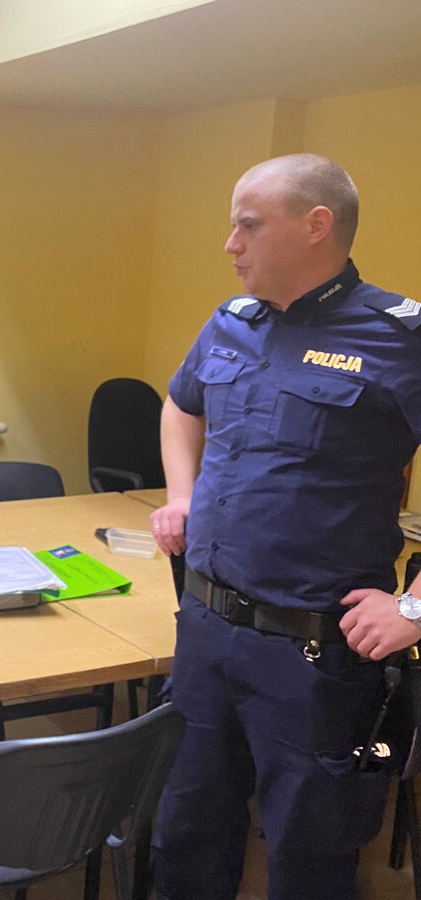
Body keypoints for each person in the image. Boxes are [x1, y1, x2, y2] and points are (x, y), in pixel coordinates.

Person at [149, 153, 421, 900]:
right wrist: (183, 495)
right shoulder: (231, 323)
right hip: (206, 629)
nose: (230, 244)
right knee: (185, 833)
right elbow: (182, 403)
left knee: (309, 858)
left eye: (248, 225)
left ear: (316, 225)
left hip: (313, 654)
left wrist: (414, 607)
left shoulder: (400, 337)